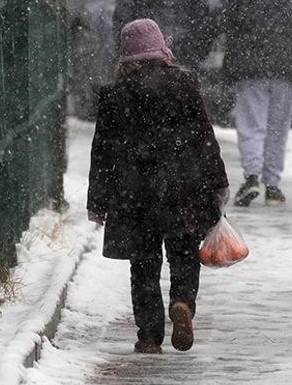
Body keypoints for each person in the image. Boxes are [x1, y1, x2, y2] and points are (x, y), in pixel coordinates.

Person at [87, 18, 228, 354]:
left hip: (135, 193)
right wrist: (217, 181)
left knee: (144, 264)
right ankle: (181, 302)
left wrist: (98, 200)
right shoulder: (184, 83)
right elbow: (204, 138)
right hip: (183, 187)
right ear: (161, 47)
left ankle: (149, 335)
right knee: (183, 254)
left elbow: (102, 151)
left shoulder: (114, 95)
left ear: (126, 55)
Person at [216, 0, 292, 207]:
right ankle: (273, 186)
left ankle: (251, 178)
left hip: (250, 71)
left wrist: (196, 54)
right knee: (277, 129)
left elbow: (213, 25)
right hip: (285, 71)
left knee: (252, 126)